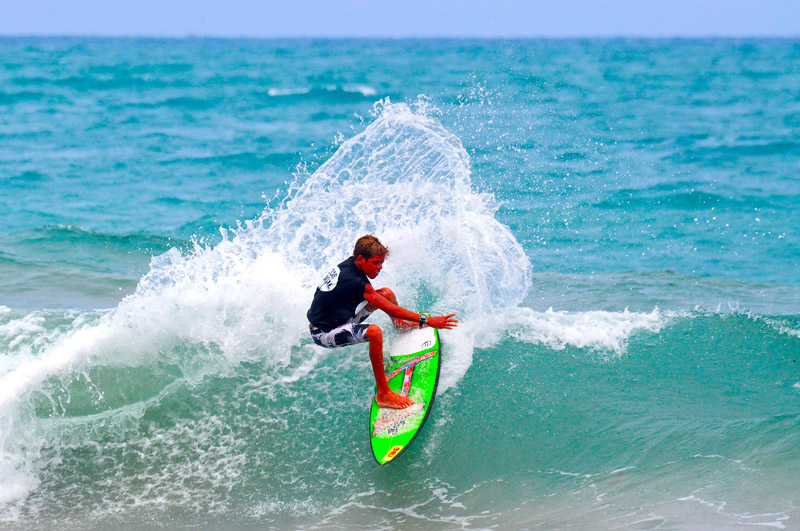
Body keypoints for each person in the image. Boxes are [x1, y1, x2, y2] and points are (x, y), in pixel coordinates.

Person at [307, 235, 458, 409]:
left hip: (340, 317)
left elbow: (368, 252)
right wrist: (428, 320)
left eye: (381, 263)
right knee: (374, 332)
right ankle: (384, 394)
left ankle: (400, 324)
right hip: (325, 333)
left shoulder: (353, 262)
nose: (379, 268)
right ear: (361, 259)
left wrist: (380, 250)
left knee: (386, 293)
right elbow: (391, 309)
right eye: (376, 263)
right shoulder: (354, 281)